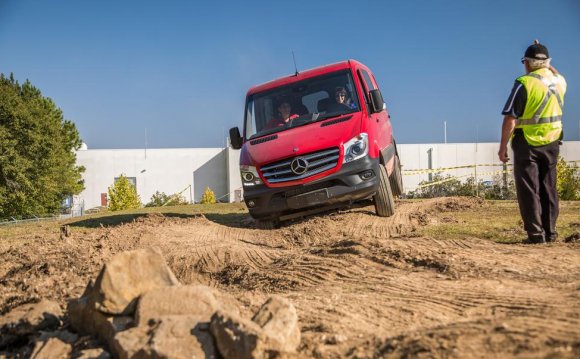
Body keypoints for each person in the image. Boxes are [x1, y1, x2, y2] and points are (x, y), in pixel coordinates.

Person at [498, 40, 567, 244]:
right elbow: (552, 71)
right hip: (553, 141)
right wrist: (544, 56)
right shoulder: (560, 81)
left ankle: (536, 235)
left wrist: (502, 147)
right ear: (548, 63)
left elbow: (510, 118)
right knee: (549, 187)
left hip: (527, 143)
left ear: (526, 63)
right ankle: (551, 232)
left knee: (529, 189)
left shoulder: (524, 83)